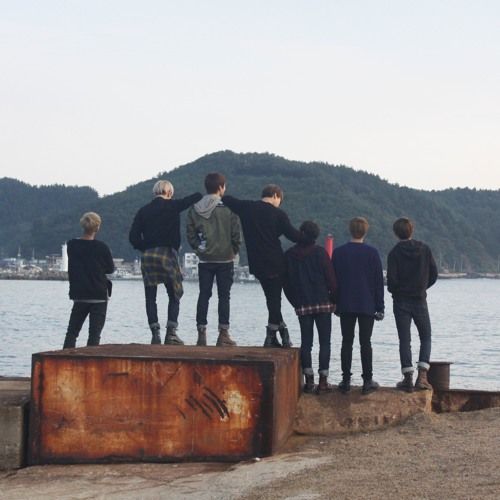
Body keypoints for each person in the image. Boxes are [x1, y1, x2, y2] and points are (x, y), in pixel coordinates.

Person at [222, 184, 301, 347]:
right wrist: (310, 236)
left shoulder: (247, 208)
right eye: (280, 199)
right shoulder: (279, 214)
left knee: (271, 298)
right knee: (274, 299)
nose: (280, 202)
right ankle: (273, 335)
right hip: (276, 261)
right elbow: (294, 236)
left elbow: (229, 200)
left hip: (257, 263)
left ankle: (278, 334)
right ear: (275, 195)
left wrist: (221, 193)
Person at [129, 180, 202, 345]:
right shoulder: (173, 206)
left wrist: (145, 248)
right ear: (169, 193)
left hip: (148, 256)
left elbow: (133, 237)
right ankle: (171, 333)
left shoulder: (143, 211)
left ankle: (155, 333)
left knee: (150, 296)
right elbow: (194, 197)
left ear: (155, 193)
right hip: (167, 254)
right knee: (175, 293)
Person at [186, 172, 241, 346]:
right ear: (220, 187)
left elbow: (190, 233)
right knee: (224, 296)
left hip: (205, 260)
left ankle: (201, 333)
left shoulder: (195, 208)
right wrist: (233, 250)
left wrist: (199, 248)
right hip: (225, 259)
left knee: (204, 295)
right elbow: (236, 234)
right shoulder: (229, 208)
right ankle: (223, 333)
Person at [332, 217, 384, 395]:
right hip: (367, 304)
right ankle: (367, 380)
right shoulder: (372, 253)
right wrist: (380, 306)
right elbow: (378, 282)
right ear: (365, 231)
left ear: (350, 230)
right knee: (365, 343)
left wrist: (335, 303)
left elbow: (334, 282)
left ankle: (346, 380)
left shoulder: (339, 253)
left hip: (345, 303)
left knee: (347, 342)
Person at [284, 221, 337, 393]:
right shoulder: (320, 253)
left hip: (303, 305)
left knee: (306, 343)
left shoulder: (290, 255)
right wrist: (334, 299)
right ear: (316, 236)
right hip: (323, 303)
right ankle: (323, 381)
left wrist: (295, 302)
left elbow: (287, 284)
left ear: (300, 232)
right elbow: (331, 279)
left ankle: (308, 380)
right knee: (325, 342)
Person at [387, 217, 438, 392]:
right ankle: (422, 377)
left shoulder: (394, 253)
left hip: (401, 301)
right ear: (412, 230)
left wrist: (397, 291)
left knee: (404, 339)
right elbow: (434, 274)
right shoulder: (424, 249)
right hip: (419, 299)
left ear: (396, 233)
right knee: (426, 337)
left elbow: (391, 282)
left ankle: (407, 377)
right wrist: (422, 287)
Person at [63, 212, 115, 349]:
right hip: (98, 294)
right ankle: (91, 362)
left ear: (83, 225)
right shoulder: (102, 247)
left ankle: (66, 358)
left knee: (72, 332)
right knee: (94, 334)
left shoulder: (72, 245)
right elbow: (110, 269)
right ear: (97, 228)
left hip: (79, 294)